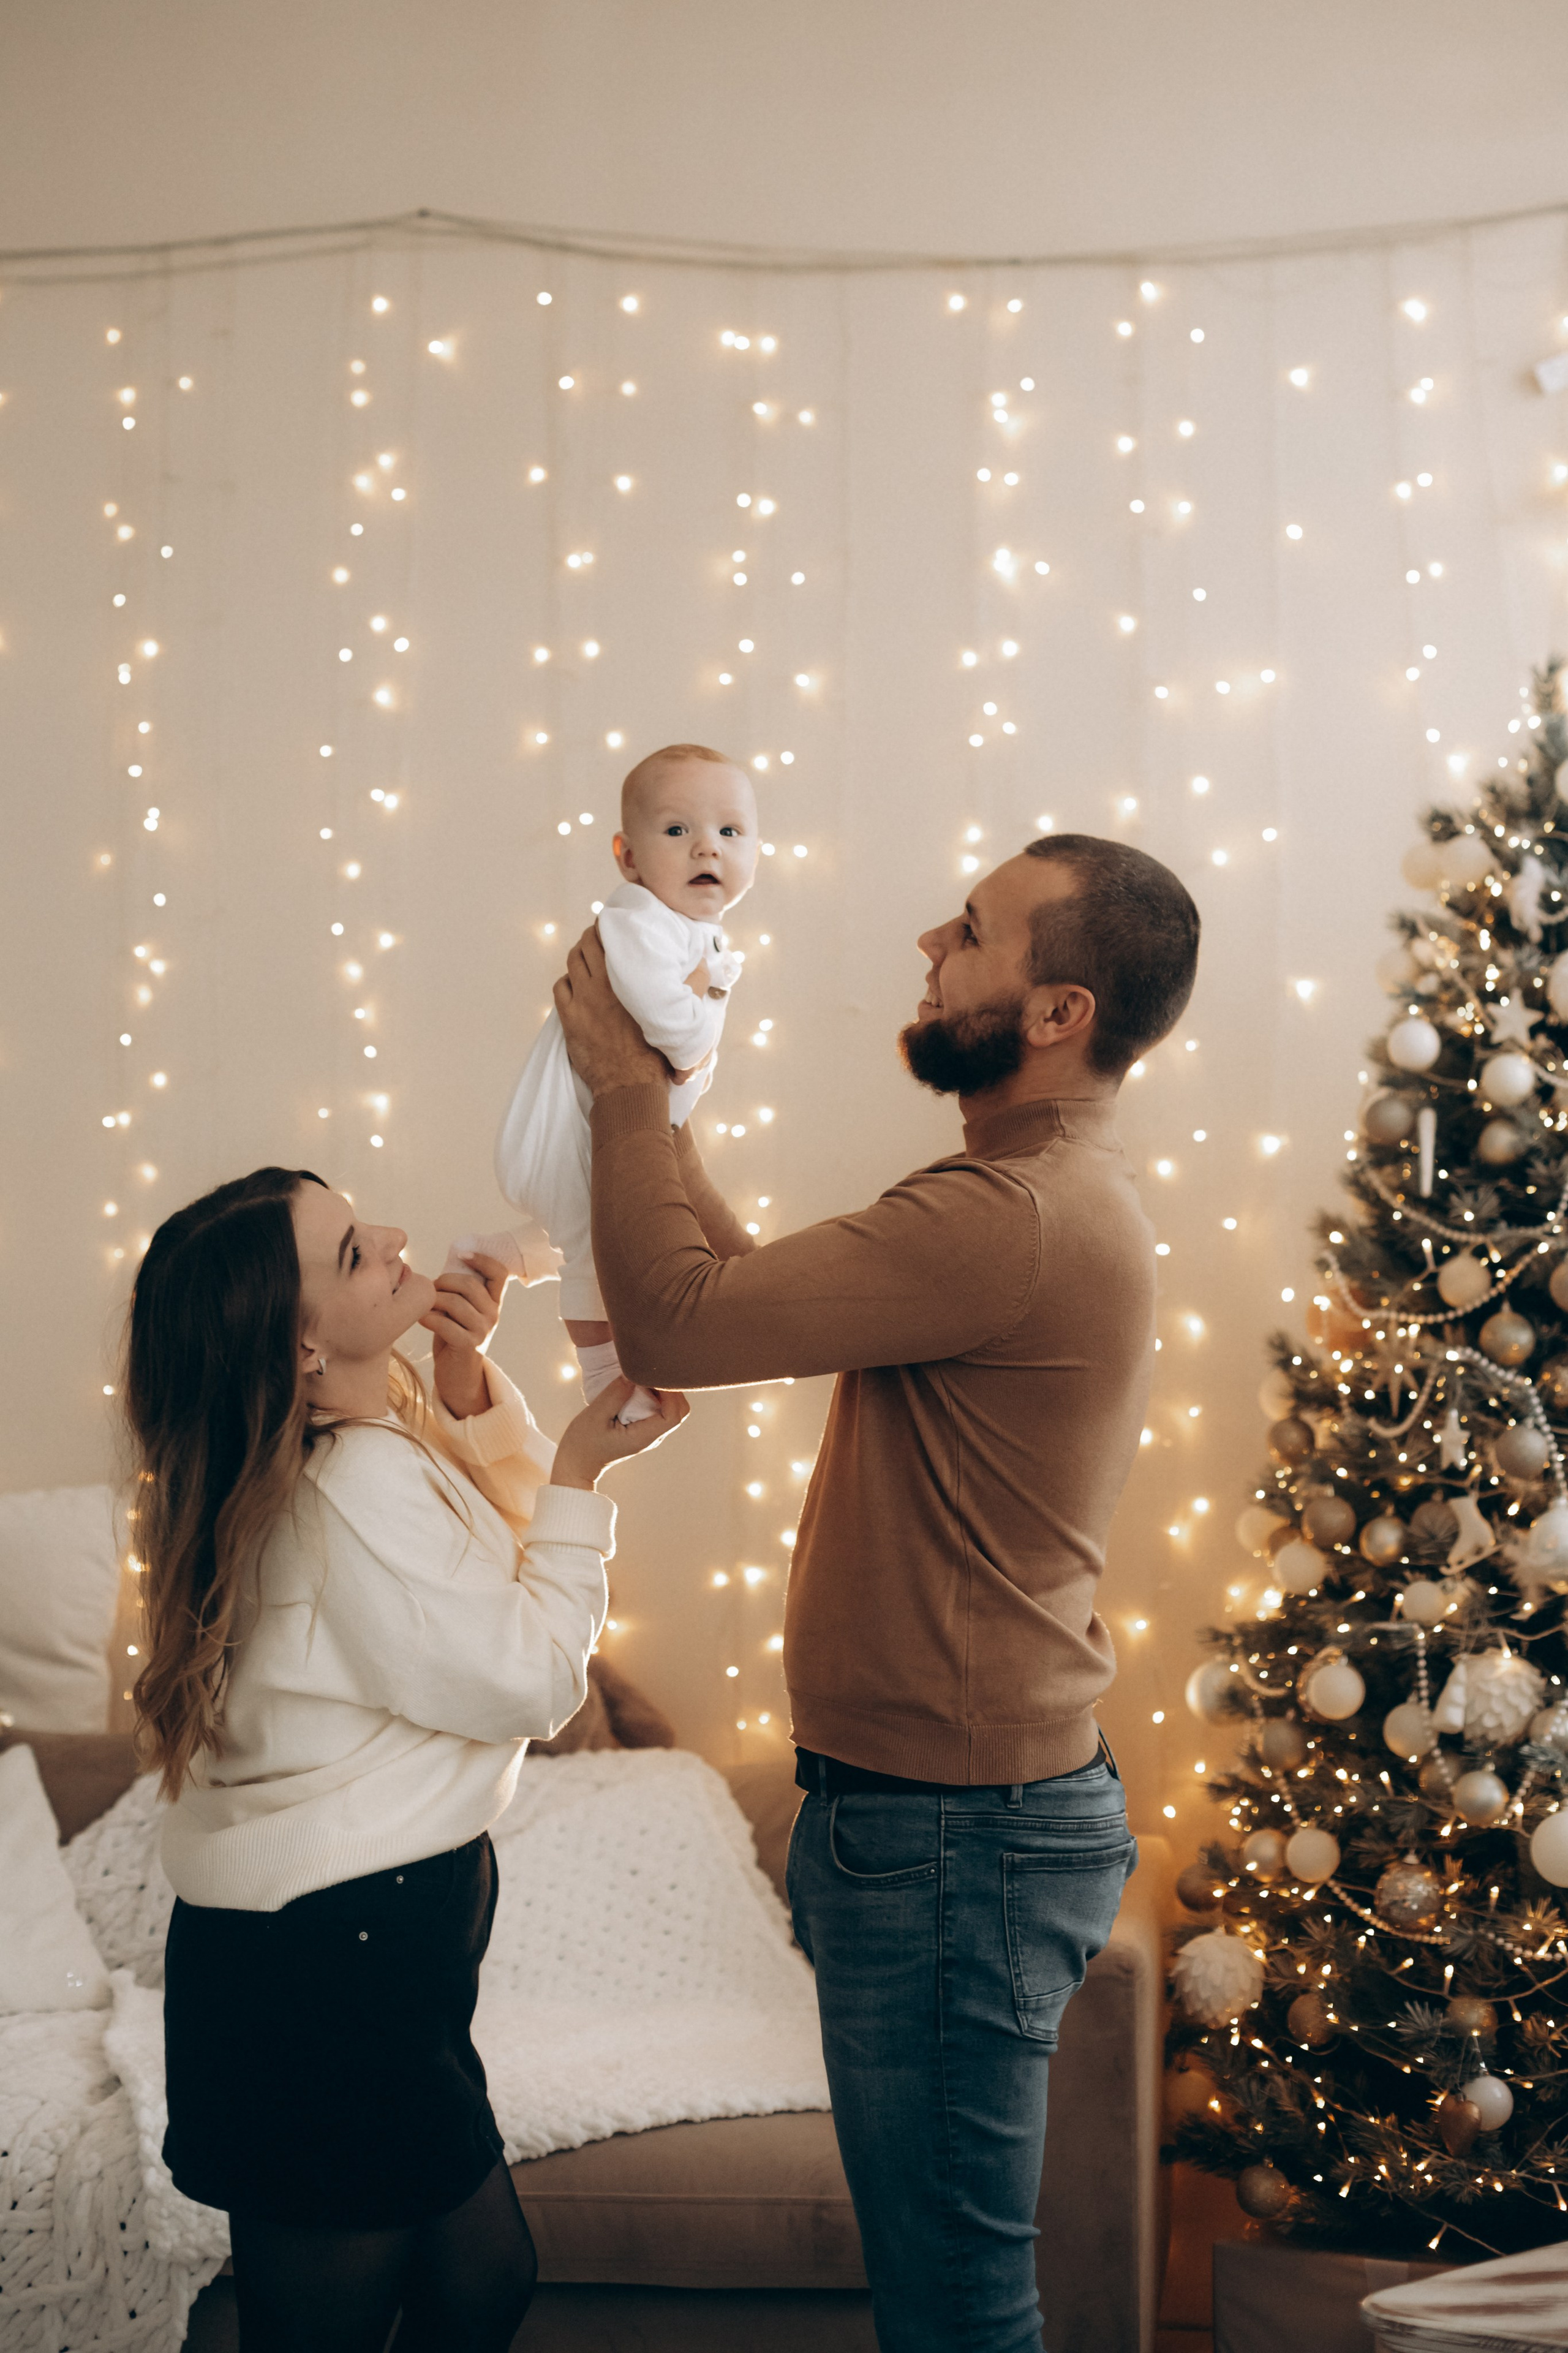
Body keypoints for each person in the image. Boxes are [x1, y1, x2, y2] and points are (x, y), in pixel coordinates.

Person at [553, 832, 1201, 2353]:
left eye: (970, 931)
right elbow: (739, 1287)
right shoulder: (1006, 1198)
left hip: (949, 1834)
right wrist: (657, 1106)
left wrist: (621, 1089)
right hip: (934, 1819)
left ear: (1055, 1009)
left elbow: (678, 1316)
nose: (930, 936)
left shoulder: (1009, 1217)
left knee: (953, 2307)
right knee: (942, 2290)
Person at [123, 1167, 687, 2353]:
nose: (390, 1239)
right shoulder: (350, 1484)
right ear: (300, 1346)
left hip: (372, 1944)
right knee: (335, 2325)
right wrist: (583, 1470)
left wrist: (470, 1384)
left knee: (481, 2281)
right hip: (329, 1963)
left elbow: (486, 1552)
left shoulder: (370, 1434)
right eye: (347, 1255)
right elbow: (533, 1675)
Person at [496, 741, 758, 1420]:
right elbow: (672, 1025)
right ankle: (604, 1381)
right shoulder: (639, 920)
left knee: (612, 1231)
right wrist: (697, 1040)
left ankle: (500, 1252)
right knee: (596, 1247)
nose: (708, 849)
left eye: (730, 832)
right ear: (628, 857)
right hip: (565, 1129)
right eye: (678, 831)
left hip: (611, 1126)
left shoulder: (696, 930)